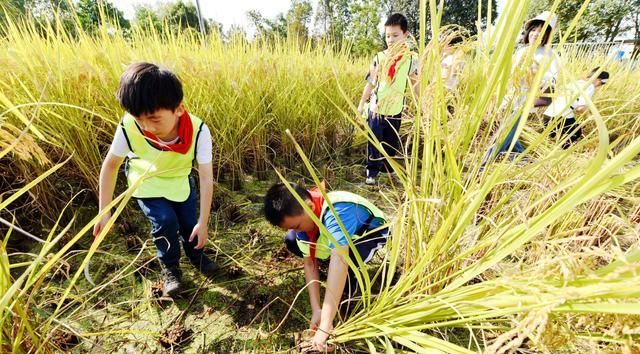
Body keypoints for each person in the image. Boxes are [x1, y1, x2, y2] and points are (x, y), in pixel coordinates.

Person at [93, 62, 218, 296]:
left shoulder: (199, 130)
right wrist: (104, 211)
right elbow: (110, 166)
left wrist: (204, 222)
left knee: (190, 224)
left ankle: (196, 256)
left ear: (179, 108)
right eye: (139, 119)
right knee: (165, 221)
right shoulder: (129, 126)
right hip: (146, 181)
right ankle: (171, 268)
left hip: (180, 182)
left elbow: (206, 177)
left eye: (154, 119)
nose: (147, 127)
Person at [263, 182, 389, 352]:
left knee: (347, 266)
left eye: (297, 226)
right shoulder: (305, 215)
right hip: (333, 237)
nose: (298, 230)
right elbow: (309, 263)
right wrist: (317, 310)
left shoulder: (337, 211)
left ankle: (347, 291)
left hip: (368, 234)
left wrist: (325, 324)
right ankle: (331, 277)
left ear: (309, 206)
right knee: (292, 240)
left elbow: (340, 260)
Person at [484, 11, 561, 163]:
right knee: (510, 134)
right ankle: (524, 158)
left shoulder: (549, 56)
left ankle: (484, 164)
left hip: (523, 103)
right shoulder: (522, 51)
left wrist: (535, 77)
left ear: (547, 36)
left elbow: (551, 85)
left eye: (541, 32)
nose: (535, 34)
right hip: (510, 99)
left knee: (502, 135)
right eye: (533, 30)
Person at [357, 13, 419, 185]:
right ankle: (371, 172)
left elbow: (415, 84)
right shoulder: (379, 57)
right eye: (387, 36)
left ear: (406, 35)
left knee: (391, 144)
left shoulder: (411, 59)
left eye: (395, 35)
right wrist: (362, 104)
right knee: (374, 143)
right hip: (376, 109)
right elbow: (370, 83)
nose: (390, 40)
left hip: (395, 110)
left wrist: (422, 104)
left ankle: (386, 170)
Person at [543, 68, 609, 148]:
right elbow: (580, 108)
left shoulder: (577, 82)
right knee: (576, 132)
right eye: (601, 84)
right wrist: (589, 116)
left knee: (547, 138)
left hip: (549, 113)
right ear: (599, 80)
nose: (599, 86)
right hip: (561, 116)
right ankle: (559, 152)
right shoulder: (590, 87)